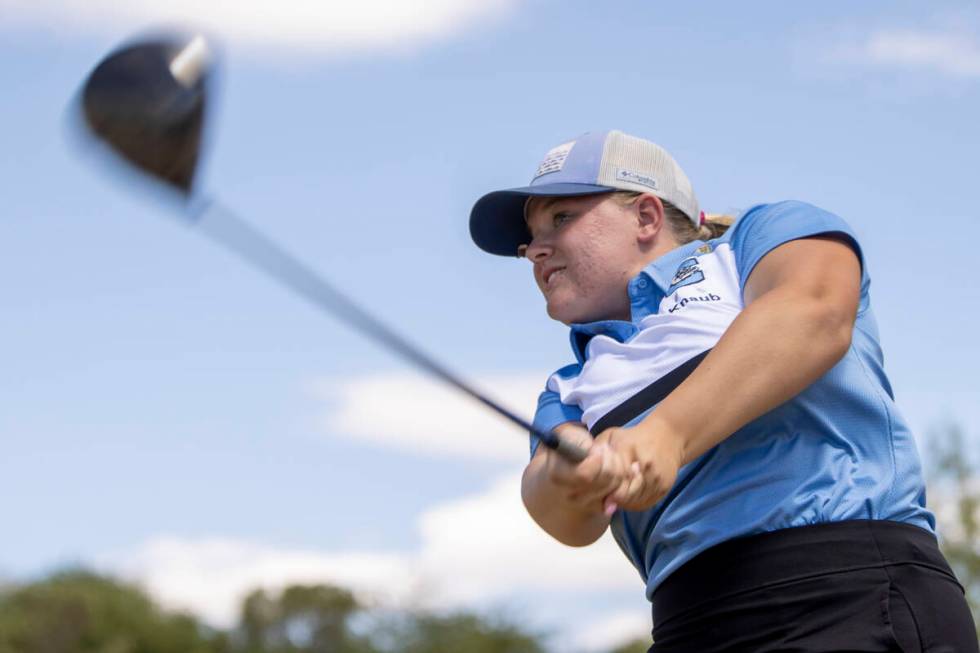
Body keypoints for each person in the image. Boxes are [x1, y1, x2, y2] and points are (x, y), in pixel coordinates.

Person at [469, 130, 978, 652]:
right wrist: (571, 474)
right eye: (528, 239)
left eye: (560, 219)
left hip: (849, 592)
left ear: (646, 216)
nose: (536, 250)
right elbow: (562, 518)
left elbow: (813, 312)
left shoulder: (759, 238)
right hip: (688, 622)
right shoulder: (567, 385)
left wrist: (666, 436)